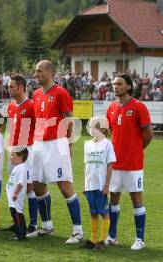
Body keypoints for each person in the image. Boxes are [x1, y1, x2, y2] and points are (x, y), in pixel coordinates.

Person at [32, 60, 83, 244]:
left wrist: (69, 146)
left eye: (39, 71)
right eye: (35, 71)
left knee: (64, 185)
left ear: (49, 72)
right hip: (39, 143)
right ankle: (47, 225)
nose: (36, 74)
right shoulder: (36, 94)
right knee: (37, 183)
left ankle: (78, 231)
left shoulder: (61, 92)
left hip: (56, 143)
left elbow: (70, 121)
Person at [106, 73, 153, 250]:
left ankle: (139, 239)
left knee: (136, 200)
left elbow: (148, 134)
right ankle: (112, 236)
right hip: (116, 164)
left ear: (128, 87)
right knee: (114, 199)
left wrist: (135, 150)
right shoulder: (111, 107)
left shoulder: (138, 107)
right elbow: (112, 132)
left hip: (133, 165)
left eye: (119, 84)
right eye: (114, 83)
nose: (115, 86)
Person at [6, 74, 39, 235]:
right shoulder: (11, 106)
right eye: (8, 86)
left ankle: (33, 224)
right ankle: (17, 221)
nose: (8, 89)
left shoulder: (32, 105)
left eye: (11, 86)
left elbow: (39, 127)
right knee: (13, 185)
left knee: (29, 187)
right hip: (14, 149)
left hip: (28, 149)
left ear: (21, 87)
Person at [82, 116, 116, 251]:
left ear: (101, 129)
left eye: (92, 127)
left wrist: (107, 185)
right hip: (90, 184)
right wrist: (85, 184)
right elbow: (86, 165)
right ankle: (94, 239)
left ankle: (102, 240)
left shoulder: (108, 144)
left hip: (101, 185)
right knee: (93, 212)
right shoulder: (87, 144)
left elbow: (110, 165)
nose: (90, 129)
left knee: (104, 212)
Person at [6, 147, 30, 241]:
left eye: (12, 155)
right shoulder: (17, 167)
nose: (10, 157)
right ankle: (19, 233)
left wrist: (15, 193)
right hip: (12, 199)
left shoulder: (22, 168)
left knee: (18, 215)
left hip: (16, 198)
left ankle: (21, 235)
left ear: (20, 156)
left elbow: (21, 182)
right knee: (15, 215)